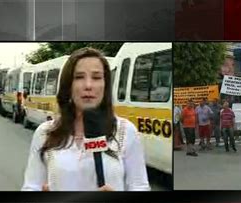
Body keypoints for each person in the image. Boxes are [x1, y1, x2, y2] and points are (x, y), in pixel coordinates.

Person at [22, 47, 150, 191]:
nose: (88, 85)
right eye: (79, 77)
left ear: (106, 85)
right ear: (68, 85)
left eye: (96, 77)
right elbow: (30, 187)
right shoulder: (45, 133)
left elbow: (140, 186)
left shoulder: (125, 131)